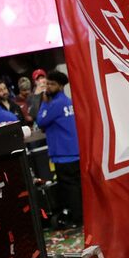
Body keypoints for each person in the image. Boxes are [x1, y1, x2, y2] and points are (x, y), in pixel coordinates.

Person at [37, 70, 83, 228]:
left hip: (63, 154)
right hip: (74, 152)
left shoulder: (55, 104)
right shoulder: (69, 101)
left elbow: (41, 121)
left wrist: (44, 103)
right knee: (76, 186)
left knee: (70, 189)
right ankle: (81, 216)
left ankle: (77, 219)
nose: (48, 87)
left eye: (52, 84)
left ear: (61, 86)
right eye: (47, 83)